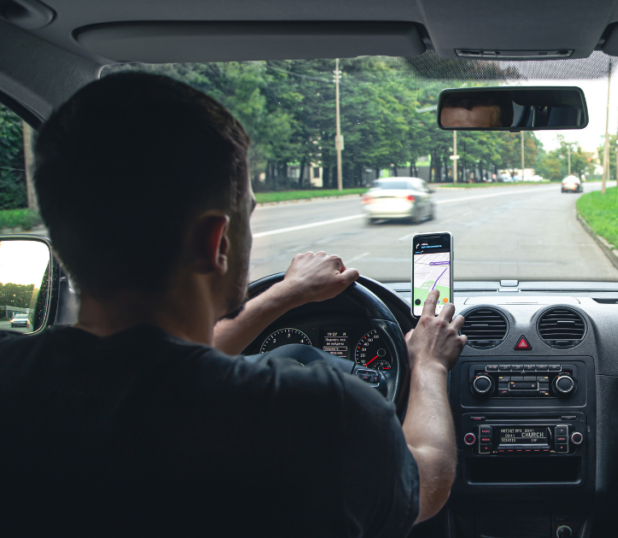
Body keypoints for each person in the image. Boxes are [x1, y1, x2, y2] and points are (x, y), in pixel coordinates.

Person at [0, 72, 467, 537]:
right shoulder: (324, 416)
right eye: (248, 212)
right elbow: (428, 483)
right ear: (216, 241)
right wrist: (428, 365)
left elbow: (151, 367)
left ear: (60, 242)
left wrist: (289, 292)